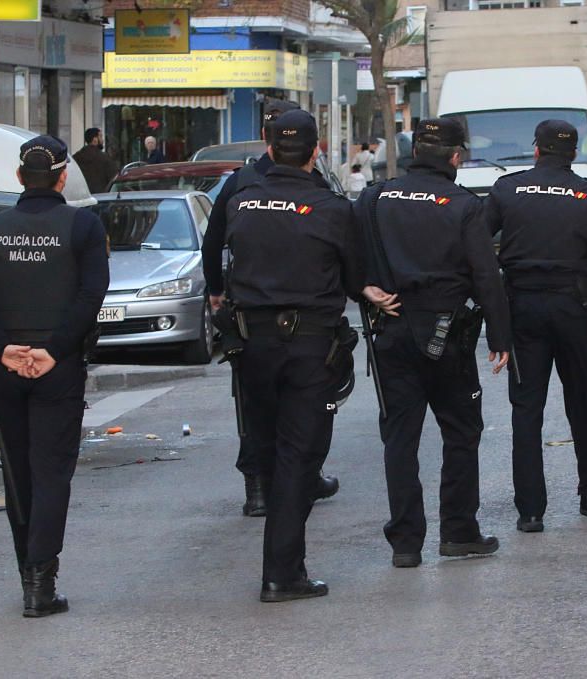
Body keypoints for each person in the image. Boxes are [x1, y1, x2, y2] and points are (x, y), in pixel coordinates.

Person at [0, 135, 109, 617]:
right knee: (52, 473)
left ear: (20, 177)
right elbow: (91, 295)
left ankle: (29, 574)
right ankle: (41, 582)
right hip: (56, 367)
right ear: (62, 177)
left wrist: (2, 348)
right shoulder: (82, 225)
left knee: (19, 475)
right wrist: (53, 350)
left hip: (7, 367)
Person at [219, 109, 363, 602]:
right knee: (300, 457)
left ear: (267, 145)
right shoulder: (332, 209)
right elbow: (356, 278)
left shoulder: (241, 200)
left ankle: (283, 565)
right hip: (308, 346)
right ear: (317, 150)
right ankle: (282, 573)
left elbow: (219, 255)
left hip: (252, 344)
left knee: (270, 450)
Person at [357, 117, 510, 568]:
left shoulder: (374, 196)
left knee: (400, 438)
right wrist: (500, 336)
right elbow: (486, 274)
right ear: (456, 158)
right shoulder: (464, 205)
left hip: (390, 325)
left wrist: (364, 287)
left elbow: (348, 251)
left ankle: (405, 543)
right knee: (461, 432)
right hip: (448, 334)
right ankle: (459, 531)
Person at [485, 119, 587, 534]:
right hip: (575, 310)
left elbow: (476, 244)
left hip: (523, 309)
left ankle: (530, 510)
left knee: (526, 408)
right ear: (573, 154)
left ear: (536, 149)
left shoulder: (507, 189)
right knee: (583, 402)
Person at [202, 98, 340, 517]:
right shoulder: (314, 184)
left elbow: (212, 242)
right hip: (307, 314)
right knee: (308, 404)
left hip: (251, 312)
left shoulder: (239, 182)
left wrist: (216, 292)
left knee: (254, 405)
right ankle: (300, 478)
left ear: (266, 138)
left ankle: (259, 489)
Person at [73, 127, 119, 195]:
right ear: (95, 139)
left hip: (82, 196)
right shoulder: (104, 158)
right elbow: (114, 178)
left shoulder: (76, 157)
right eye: (100, 136)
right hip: (101, 197)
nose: (102, 140)